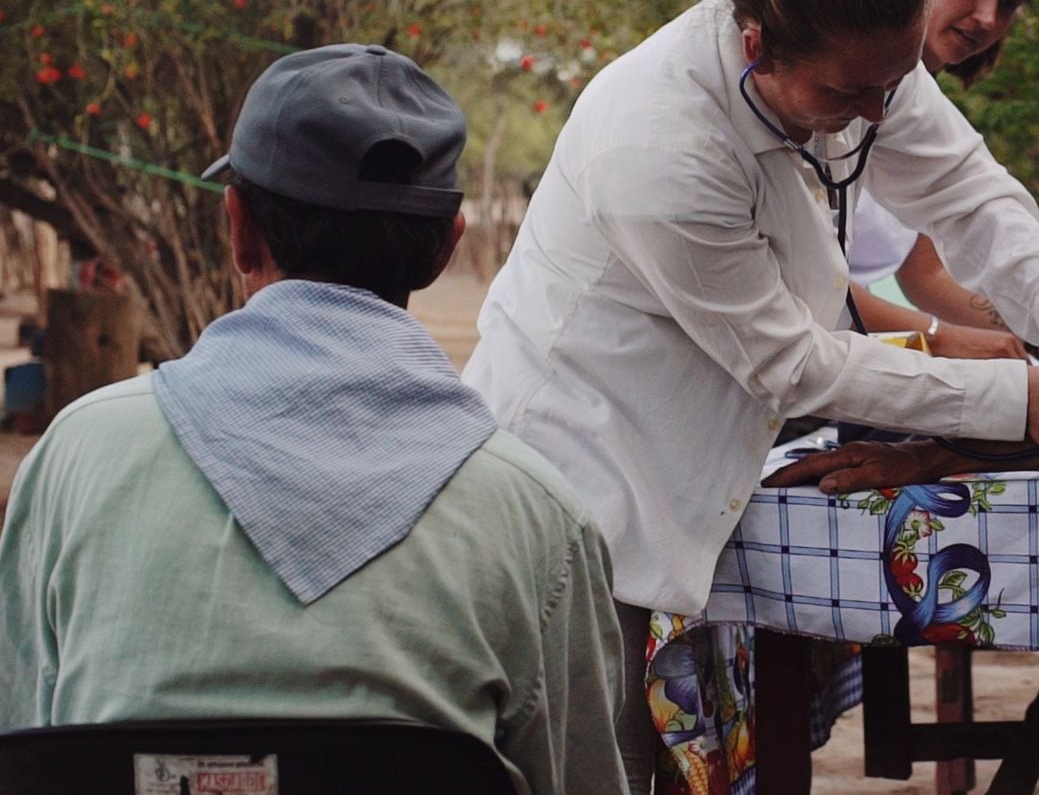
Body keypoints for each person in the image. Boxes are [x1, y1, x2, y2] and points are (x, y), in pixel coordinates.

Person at [460, 0, 1039, 788]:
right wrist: (1015, 398)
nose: (875, 116)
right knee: (604, 768)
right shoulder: (661, 147)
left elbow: (967, 192)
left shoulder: (860, 54)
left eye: (889, 90)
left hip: (691, 472)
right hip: (583, 482)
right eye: (850, 99)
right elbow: (789, 359)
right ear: (756, 47)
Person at [0, 45, 625, 795]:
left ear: (237, 229)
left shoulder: (77, 453)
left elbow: (24, 737)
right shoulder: (537, 512)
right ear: (444, 248)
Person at [848, 0, 1039, 358]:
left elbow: (925, 276)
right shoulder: (838, 84)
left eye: (1009, 5)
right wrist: (945, 340)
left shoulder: (930, 120)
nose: (987, 18)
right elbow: (812, 286)